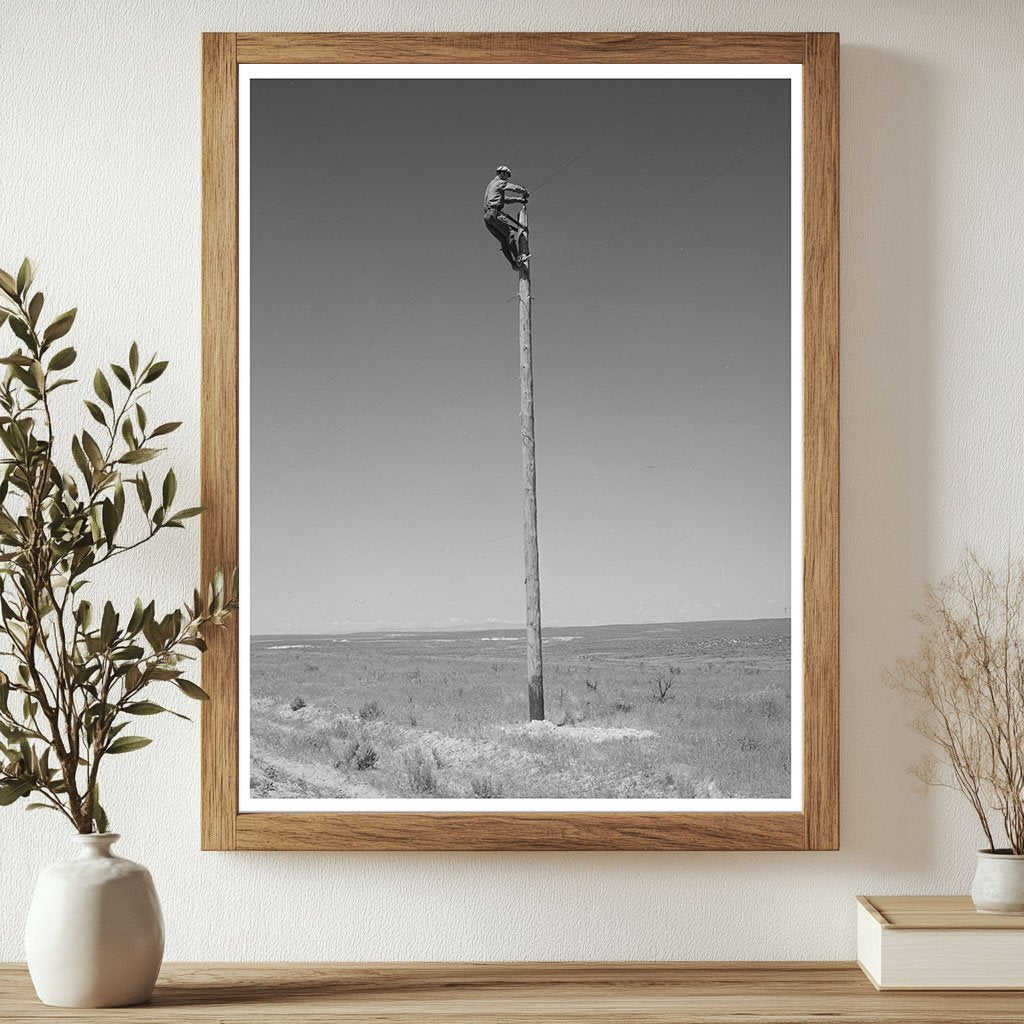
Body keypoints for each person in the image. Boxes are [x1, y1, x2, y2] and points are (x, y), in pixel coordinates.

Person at [483, 165, 530, 270]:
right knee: (511, 235)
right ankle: (518, 258)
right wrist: (524, 191)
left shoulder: (491, 185)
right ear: (502, 173)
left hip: (487, 217)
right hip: (495, 214)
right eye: (507, 175)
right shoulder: (499, 182)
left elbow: (504, 200)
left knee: (504, 240)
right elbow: (512, 187)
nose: (507, 178)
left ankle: (513, 264)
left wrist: (519, 200)